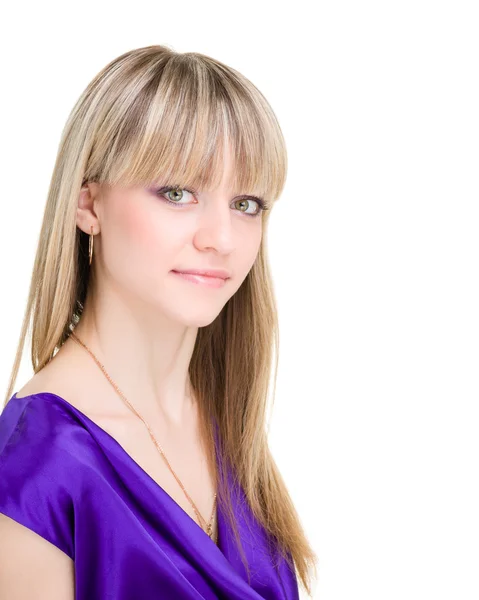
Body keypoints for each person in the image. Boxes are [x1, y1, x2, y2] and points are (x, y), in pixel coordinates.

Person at [0, 44, 318, 598]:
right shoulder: (37, 469)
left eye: (246, 204)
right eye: (177, 193)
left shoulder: (226, 422)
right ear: (89, 205)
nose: (219, 238)